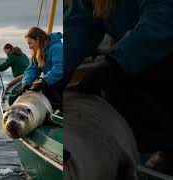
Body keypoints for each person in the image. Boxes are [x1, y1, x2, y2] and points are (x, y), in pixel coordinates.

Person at [65, 0, 173, 174]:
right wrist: (61, 69)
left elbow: (161, 19)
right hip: (138, 59)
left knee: (122, 82)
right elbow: (80, 24)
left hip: (162, 59)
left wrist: (117, 62)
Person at [18, 27, 64, 115]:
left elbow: (60, 68)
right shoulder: (38, 53)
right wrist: (26, 83)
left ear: (37, 40)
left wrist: (44, 81)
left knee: (46, 86)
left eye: (30, 43)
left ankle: (63, 109)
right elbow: (32, 69)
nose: (29, 47)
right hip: (55, 82)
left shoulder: (57, 48)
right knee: (43, 86)